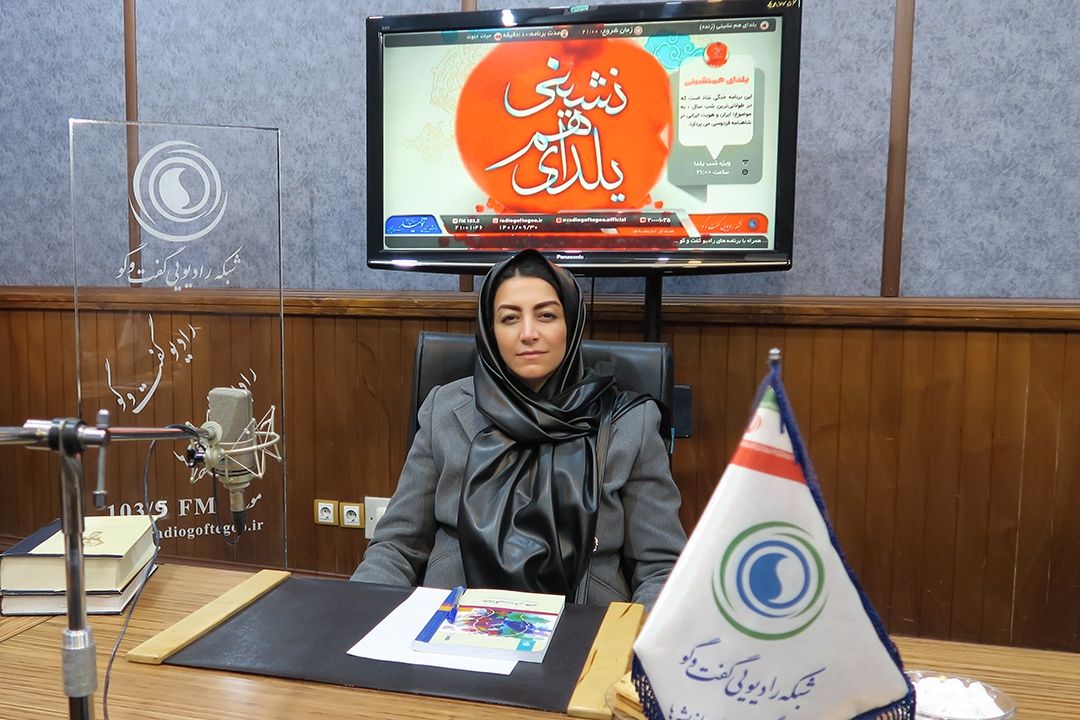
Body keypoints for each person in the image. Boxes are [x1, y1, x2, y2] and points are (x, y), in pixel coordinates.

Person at [350, 249, 686, 609]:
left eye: (546, 315)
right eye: (510, 318)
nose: (528, 333)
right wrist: (357, 615)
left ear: (571, 323)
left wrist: (632, 639)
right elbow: (396, 546)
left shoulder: (629, 421)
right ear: (490, 330)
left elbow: (661, 568)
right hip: (453, 621)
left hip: (582, 622)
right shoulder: (445, 409)